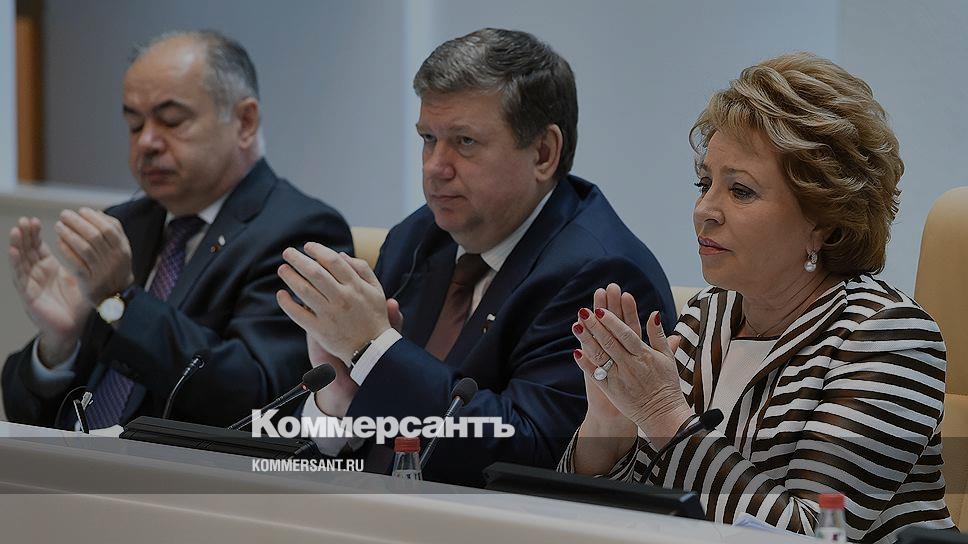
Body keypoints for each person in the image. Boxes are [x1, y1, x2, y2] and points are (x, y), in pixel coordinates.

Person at [560, 52, 954, 542]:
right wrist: (608, 429)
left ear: (824, 221)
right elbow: (618, 517)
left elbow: (815, 534)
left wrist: (662, 413)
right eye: (705, 183)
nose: (704, 210)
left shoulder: (888, 338)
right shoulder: (708, 315)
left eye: (741, 191)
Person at [276, 28, 675, 486]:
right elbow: (350, 446)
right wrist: (339, 399)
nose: (434, 166)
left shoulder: (600, 273)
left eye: (464, 141)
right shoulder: (418, 238)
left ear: (544, 153)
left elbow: (529, 458)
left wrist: (373, 349)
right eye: (428, 138)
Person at [3, 30, 352, 429]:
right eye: (134, 125)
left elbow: (258, 401)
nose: (147, 142)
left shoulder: (299, 232)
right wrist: (59, 346)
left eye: (171, 121)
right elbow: (22, 414)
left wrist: (123, 302)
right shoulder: (126, 224)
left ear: (245, 121)